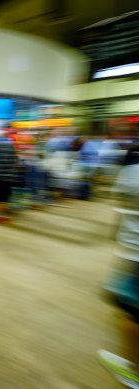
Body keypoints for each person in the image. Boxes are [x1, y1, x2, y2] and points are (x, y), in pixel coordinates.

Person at [98, 147, 139, 388]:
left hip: (135, 254)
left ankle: (132, 370)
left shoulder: (131, 172)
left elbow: (121, 205)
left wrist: (115, 235)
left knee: (132, 314)